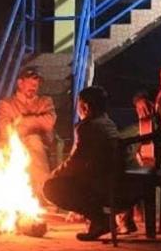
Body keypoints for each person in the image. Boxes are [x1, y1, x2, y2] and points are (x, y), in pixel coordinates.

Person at [43, 86, 138, 242]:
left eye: (79, 105)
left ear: (85, 107)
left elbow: (75, 163)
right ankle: (101, 219)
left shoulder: (87, 127)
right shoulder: (108, 123)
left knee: (51, 188)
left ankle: (100, 220)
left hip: (106, 188)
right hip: (123, 185)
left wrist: (54, 175)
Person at [0, 66, 56, 199]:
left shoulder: (45, 101)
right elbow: (6, 129)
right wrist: (36, 122)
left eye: (36, 84)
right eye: (30, 83)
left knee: (34, 140)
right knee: (28, 142)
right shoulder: (6, 104)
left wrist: (21, 121)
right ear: (20, 83)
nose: (34, 87)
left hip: (41, 148)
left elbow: (49, 122)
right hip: (14, 149)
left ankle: (43, 193)